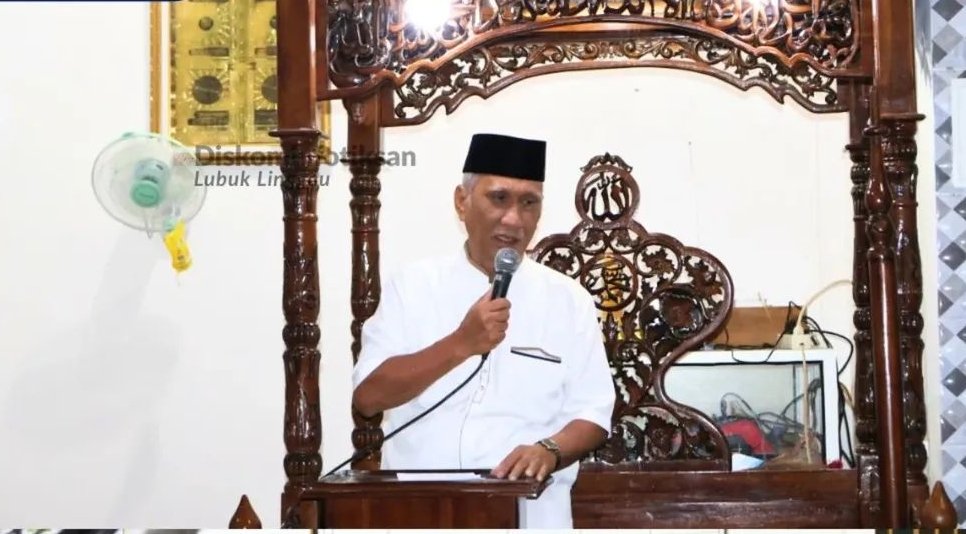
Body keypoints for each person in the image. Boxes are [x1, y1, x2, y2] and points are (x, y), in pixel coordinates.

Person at [351, 133, 616, 528]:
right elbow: (369, 398)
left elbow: (593, 412)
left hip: (529, 512)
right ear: (462, 202)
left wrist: (549, 449)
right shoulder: (413, 286)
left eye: (529, 203)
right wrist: (460, 343)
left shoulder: (567, 299)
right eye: (499, 198)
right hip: (421, 511)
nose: (513, 219)